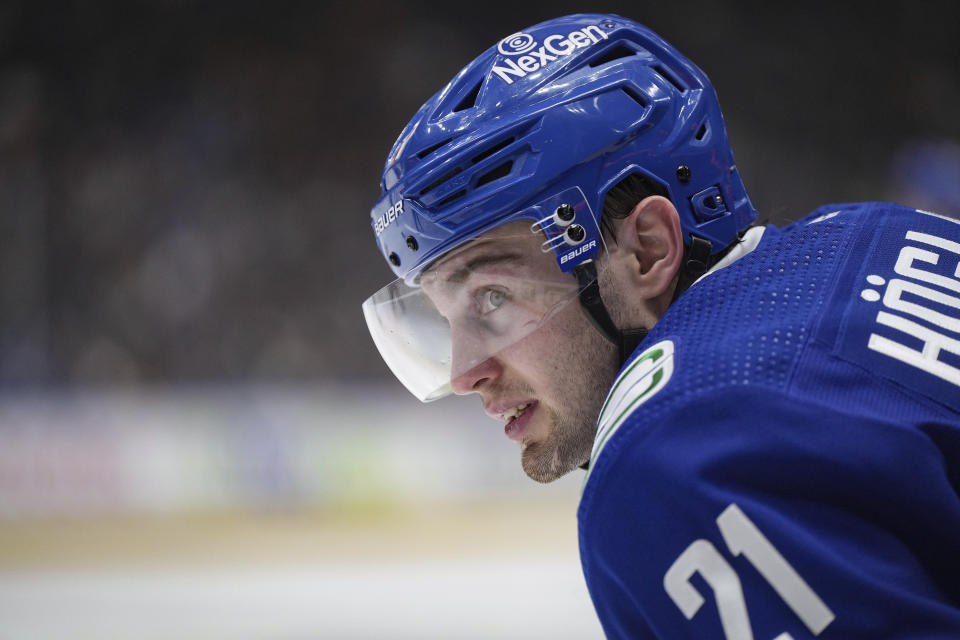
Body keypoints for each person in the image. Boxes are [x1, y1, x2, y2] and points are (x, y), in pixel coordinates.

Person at [362, 13, 960, 639]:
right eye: (445, 316)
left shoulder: (674, 463)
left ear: (646, 250)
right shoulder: (878, 234)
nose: (464, 374)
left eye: (491, 298)